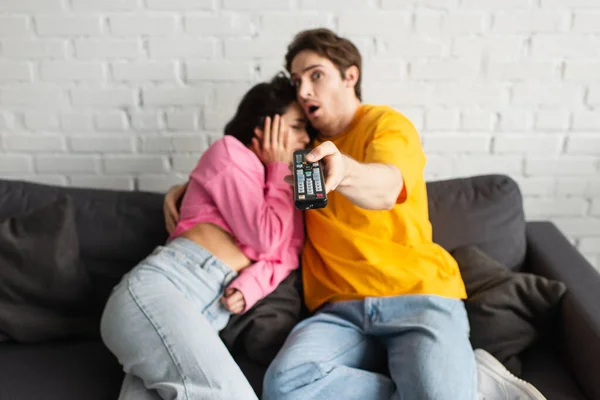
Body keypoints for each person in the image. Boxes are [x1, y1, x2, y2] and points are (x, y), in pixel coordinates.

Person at [165, 29, 546, 400]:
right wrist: (184, 193)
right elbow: (247, 199)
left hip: (417, 296)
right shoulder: (301, 151)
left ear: (350, 76)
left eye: (316, 75)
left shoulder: (384, 125)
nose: (304, 91)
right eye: (298, 81)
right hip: (338, 311)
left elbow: (384, 186)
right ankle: (469, 386)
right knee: (284, 388)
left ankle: (452, 381)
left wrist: (345, 171)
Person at [100, 73, 310, 400]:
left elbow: (287, 255)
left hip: (204, 314)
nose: (305, 138)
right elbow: (265, 240)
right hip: (164, 286)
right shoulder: (228, 154)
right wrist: (281, 168)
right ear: (263, 125)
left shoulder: (284, 191)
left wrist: (252, 284)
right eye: (296, 126)